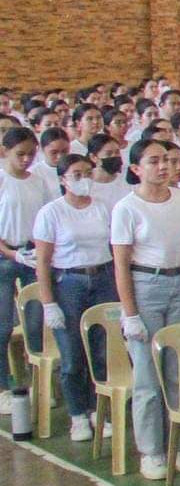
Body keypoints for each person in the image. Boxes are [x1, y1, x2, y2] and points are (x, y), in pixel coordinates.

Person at [110, 136, 180, 481]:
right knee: (147, 374)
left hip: (179, 283)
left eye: (167, 159)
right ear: (136, 169)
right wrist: (130, 312)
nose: (163, 167)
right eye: (153, 161)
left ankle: (176, 443)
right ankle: (151, 450)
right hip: (145, 285)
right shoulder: (127, 208)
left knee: (177, 371)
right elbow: (121, 263)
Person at [31, 152, 116, 442]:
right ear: (63, 179)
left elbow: (113, 246)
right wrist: (48, 302)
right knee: (72, 356)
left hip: (103, 278)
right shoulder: (51, 212)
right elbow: (43, 261)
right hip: (69, 282)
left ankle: (98, 410)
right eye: (77, 175)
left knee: (101, 350)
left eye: (88, 173)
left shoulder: (103, 208)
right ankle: (78, 414)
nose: (84, 180)